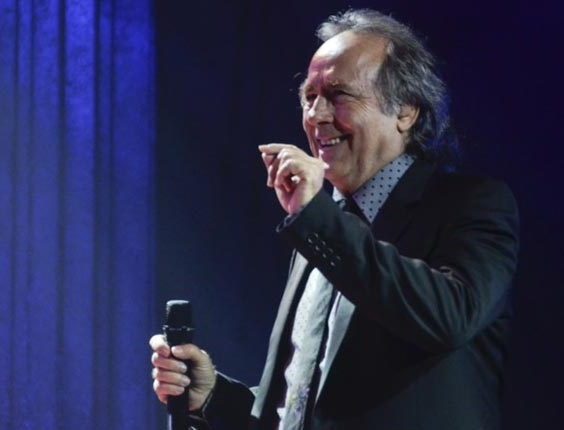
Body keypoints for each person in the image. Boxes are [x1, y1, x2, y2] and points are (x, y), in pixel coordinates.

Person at [150, 9, 519, 430]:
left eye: (339, 95)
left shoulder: (471, 204)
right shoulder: (322, 227)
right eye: (310, 96)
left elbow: (449, 318)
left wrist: (318, 218)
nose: (316, 115)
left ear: (406, 111)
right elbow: (300, 411)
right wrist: (213, 397)